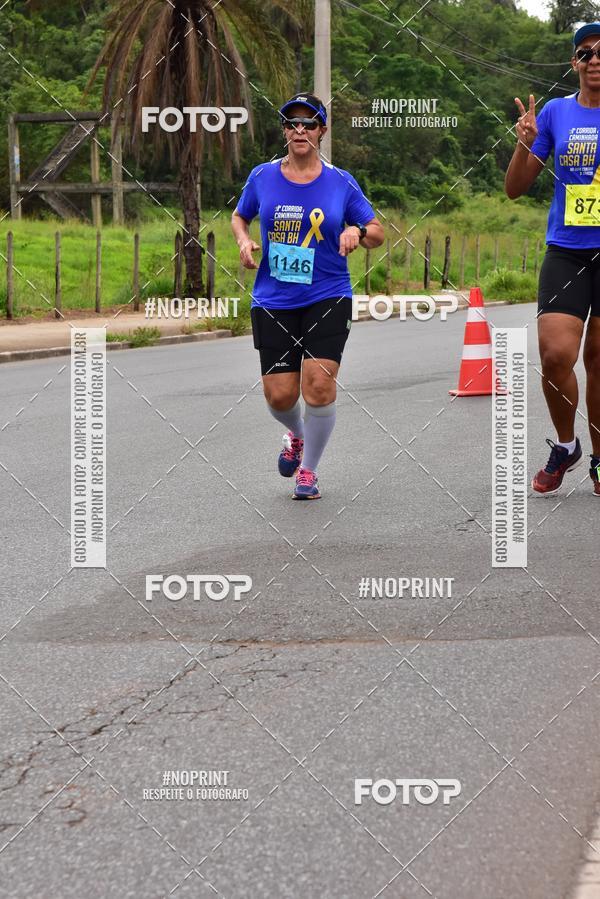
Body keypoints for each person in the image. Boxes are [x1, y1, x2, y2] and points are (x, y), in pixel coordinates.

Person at [231, 92, 384, 500]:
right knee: (280, 395)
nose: (300, 130)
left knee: (318, 386)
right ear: (284, 131)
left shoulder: (341, 181)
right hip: (274, 298)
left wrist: (357, 232)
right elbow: (239, 215)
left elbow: (378, 230)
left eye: (309, 123)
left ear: (322, 130)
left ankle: (309, 471)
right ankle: (296, 435)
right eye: (292, 123)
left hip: (327, 295)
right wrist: (244, 241)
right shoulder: (262, 176)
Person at [505, 23, 600, 496]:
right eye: (586, 53)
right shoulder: (558, 114)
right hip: (566, 250)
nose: (596, 60)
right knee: (555, 355)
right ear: (574, 64)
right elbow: (515, 188)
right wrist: (525, 140)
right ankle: (566, 445)